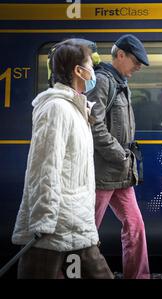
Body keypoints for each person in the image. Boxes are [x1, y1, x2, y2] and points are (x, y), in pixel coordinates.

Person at [12, 41, 113, 279]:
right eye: (90, 66)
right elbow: (44, 167)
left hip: (76, 221)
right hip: (55, 226)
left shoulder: (77, 110)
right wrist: (42, 222)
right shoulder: (57, 108)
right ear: (79, 71)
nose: (94, 73)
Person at [86, 34, 150, 279]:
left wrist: (124, 160)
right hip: (103, 172)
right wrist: (119, 155)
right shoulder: (103, 81)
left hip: (121, 173)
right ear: (120, 55)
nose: (138, 67)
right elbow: (94, 126)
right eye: (135, 61)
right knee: (86, 232)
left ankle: (139, 276)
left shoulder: (121, 82)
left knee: (135, 227)